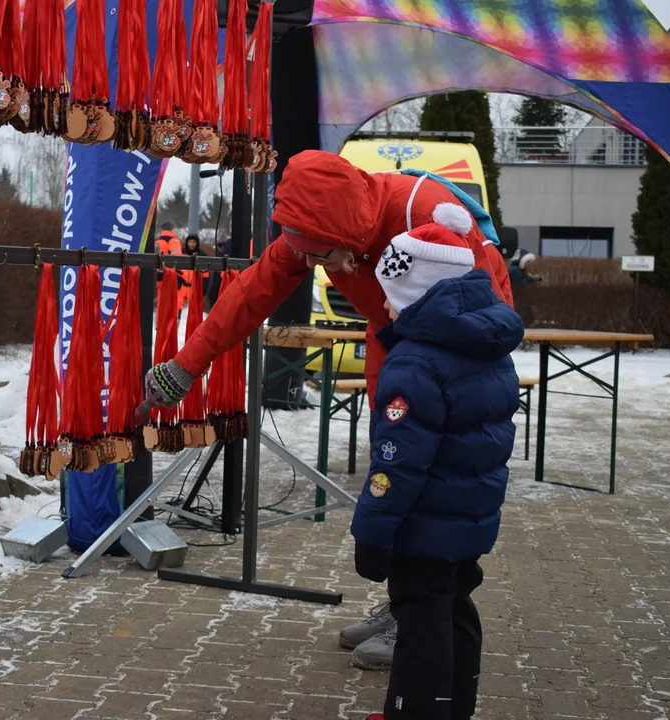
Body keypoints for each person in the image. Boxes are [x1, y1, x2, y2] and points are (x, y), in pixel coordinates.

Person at [136, 150, 514, 664]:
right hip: (395, 339)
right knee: (396, 465)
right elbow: (252, 292)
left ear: (350, 236)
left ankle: (426, 619)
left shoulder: (426, 213)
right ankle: (407, 604)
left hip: (456, 351)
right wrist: (186, 365)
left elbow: (488, 309)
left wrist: (451, 393)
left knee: (440, 480)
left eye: (321, 257)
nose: (312, 268)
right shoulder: (314, 229)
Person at [351, 207, 522, 720]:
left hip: (423, 522)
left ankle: (415, 710)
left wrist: (373, 534)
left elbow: (395, 466)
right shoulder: (484, 341)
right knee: (455, 609)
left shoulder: (415, 362)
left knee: (420, 622)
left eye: (391, 290)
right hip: (468, 512)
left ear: (415, 294)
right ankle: (454, 707)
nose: (382, 300)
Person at [178, 234, 202, 310]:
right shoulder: (181, 253)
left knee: (195, 310)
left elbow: (206, 275)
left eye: (194, 242)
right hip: (180, 286)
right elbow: (174, 269)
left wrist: (203, 290)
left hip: (194, 287)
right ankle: (176, 322)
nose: (192, 244)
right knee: (176, 309)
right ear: (187, 243)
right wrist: (178, 282)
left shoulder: (202, 255)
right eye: (190, 242)